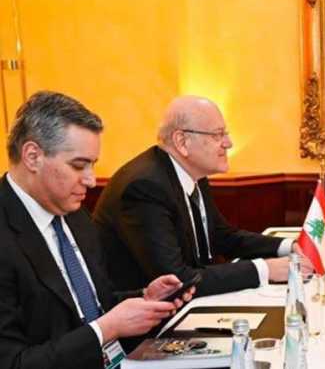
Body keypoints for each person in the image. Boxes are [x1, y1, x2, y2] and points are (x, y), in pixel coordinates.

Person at [0, 91, 193, 369]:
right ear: (33, 157)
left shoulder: (76, 216)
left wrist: (144, 298)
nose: (91, 181)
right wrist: (107, 329)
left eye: (92, 165)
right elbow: (13, 362)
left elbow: (90, 303)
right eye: (78, 165)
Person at [93, 96, 305, 297]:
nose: (229, 143)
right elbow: (176, 279)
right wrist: (265, 269)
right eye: (217, 135)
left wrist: (290, 246)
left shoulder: (193, 173)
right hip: (148, 317)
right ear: (182, 141)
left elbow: (223, 236)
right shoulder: (144, 187)